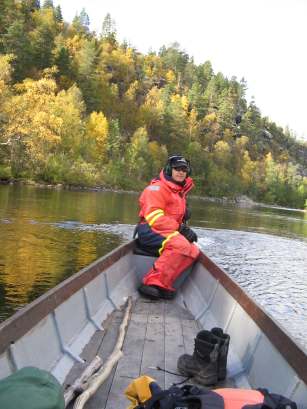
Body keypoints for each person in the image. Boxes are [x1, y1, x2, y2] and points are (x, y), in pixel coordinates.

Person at [135, 154, 200, 300]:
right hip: (149, 229)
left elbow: (174, 218)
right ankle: (151, 283)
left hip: (167, 230)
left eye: (184, 169)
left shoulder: (178, 192)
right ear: (169, 169)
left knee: (193, 251)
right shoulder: (157, 189)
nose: (181, 172)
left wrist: (182, 226)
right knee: (181, 245)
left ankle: (164, 284)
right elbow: (154, 218)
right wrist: (181, 229)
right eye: (177, 168)